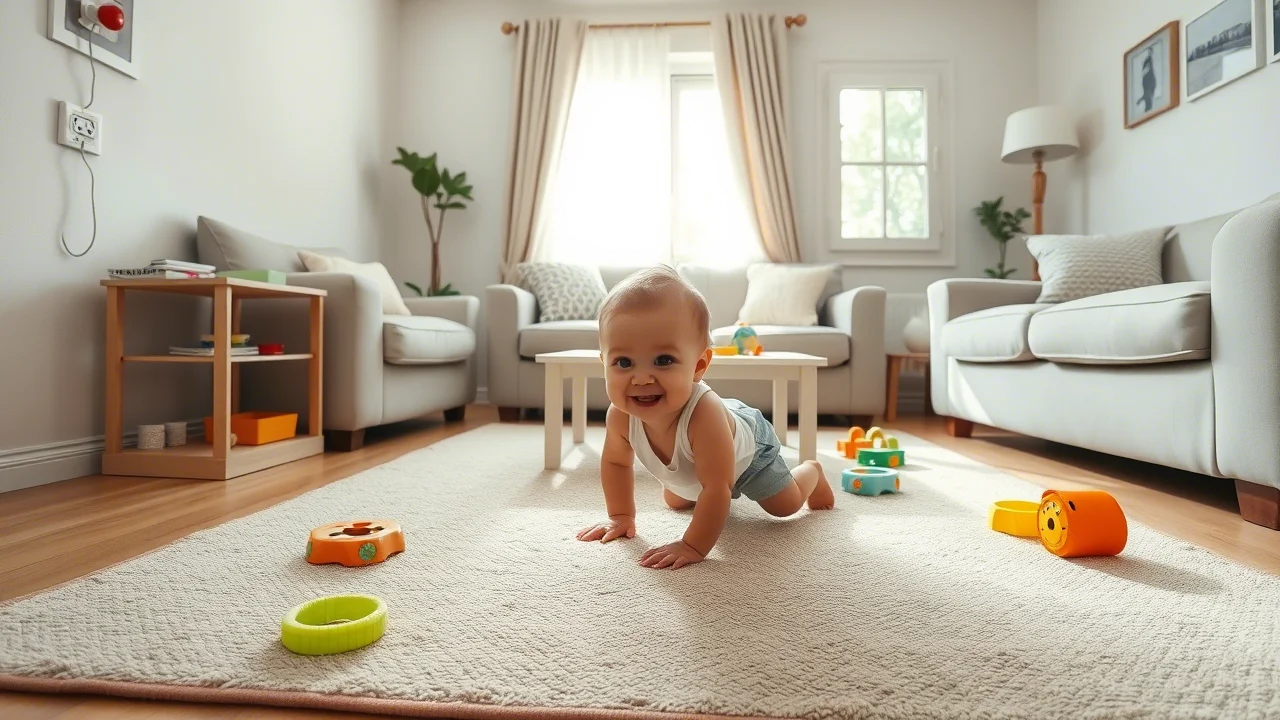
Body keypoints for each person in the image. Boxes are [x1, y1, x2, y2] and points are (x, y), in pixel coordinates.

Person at [575, 266, 834, 570]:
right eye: (623, 362)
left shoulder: (704, 416)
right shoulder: (620, 416)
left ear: (699, 366)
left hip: (748, 452)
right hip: (704, 465)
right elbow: (617, 463)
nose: (641, 378)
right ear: (604, 362)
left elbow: (716, 488)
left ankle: (811, 472)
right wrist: (620, 516)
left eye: (663, 360)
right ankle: (688, 480)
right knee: (676, 500)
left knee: (784, 506)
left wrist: (692, 545)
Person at [1139, 47, 1157, 113]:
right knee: (1148, 96)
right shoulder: (1147, 61)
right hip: (1148, 83)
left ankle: (1148, 107)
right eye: (1149, 51)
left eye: (1151, 52)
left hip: (1151, 82)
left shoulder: (1150, 60)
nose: (1150, 53)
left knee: (1149, 96)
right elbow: (1144, 71)